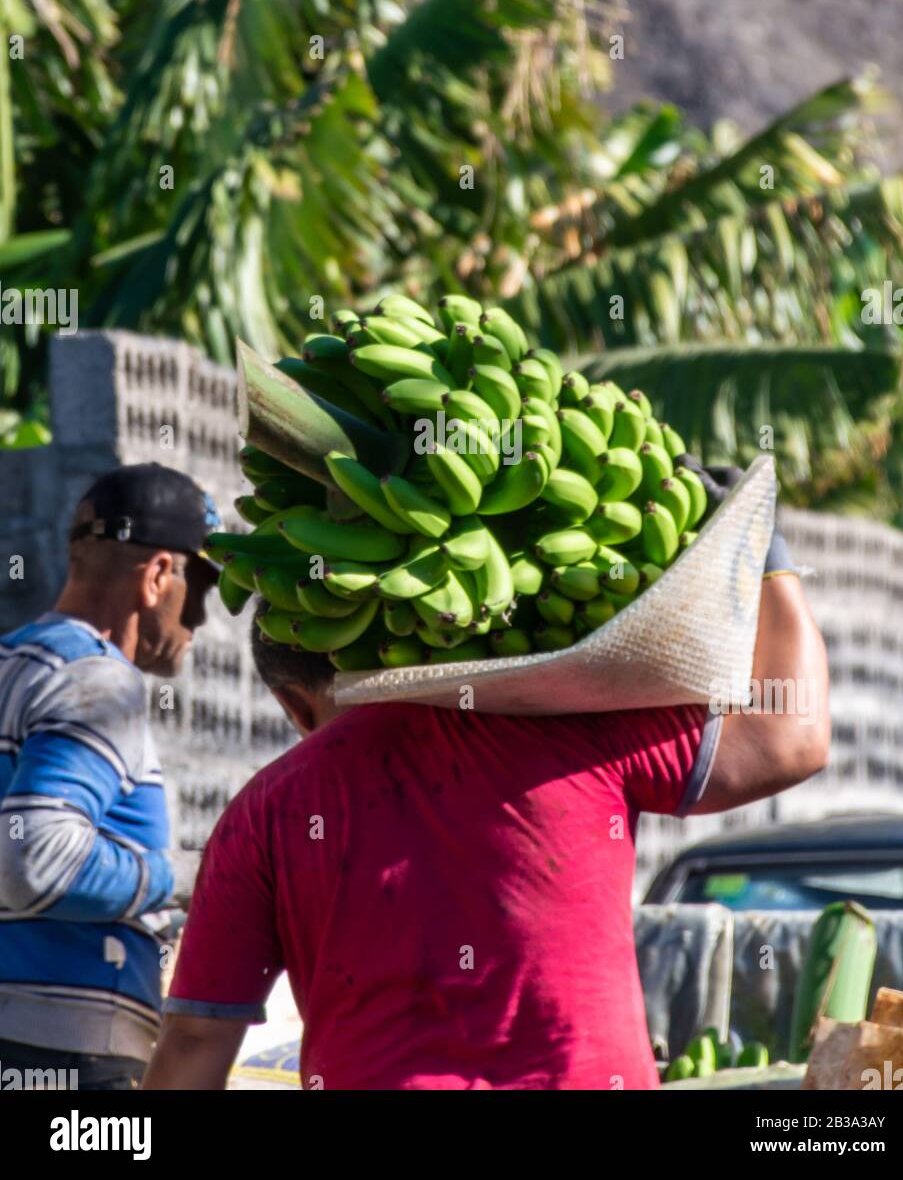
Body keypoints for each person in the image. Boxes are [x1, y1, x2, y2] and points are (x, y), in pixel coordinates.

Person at [144, 465, 829, 1091]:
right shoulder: (572, 728)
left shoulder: (268, 810)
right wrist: (764, 548)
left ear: (295, 702)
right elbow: (792, 739)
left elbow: (197, 1042)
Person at [0, 463, 220, 1090]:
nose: (201, 620)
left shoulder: (14, 663)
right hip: (64, 1059)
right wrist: (189, 873)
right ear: (157, 576)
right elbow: (36, 862)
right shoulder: (99, 681)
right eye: (200, 588)